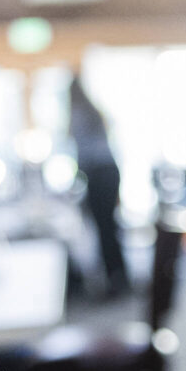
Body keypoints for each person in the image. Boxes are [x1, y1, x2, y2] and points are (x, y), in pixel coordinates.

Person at [68, 75, 130, 298]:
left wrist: (75, 180)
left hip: (98, 175)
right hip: (110, 172)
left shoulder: (77, 114)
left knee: (104, 230)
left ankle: (115, 281)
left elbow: (82, 152)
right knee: (110, 228)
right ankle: (120, 276)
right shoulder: (93, 111)